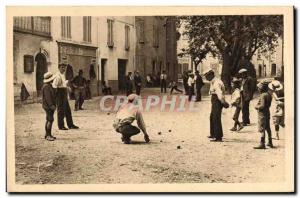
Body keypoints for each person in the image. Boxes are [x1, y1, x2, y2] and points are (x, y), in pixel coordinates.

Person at [52, 62, 79, 130]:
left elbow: (63, 84)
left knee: (68, 110)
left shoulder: (62, 75)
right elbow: (54, 86)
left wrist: (67, 87)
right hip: (59, 93)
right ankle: (61, 126)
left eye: (64, 67)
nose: (63, 69)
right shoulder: (57, 76)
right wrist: (56, 96)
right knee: (60, 110)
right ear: (59, 68)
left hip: (64, 93)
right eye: (62, 67)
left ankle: (70, 125)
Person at [204, 69, 229, 142]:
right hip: (214, 99)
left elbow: (219, 94)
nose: (206, 78)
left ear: (211, 75)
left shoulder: (216, 83)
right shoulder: (213, 81)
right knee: (212, 117)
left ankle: (218, 136)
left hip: (217, 100)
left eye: (207, 76)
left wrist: (223, 102)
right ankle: (213, 133)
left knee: (216, 118)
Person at [254, 81, 273, 149]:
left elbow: (262, 105)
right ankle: (270, 142)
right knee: (268, 127)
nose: (258, 89)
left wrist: (256, 107)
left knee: (262, 128)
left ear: (261, 88)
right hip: (267, 112)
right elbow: (268, 105)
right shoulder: (269, 94)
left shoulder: (263, 95)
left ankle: (262, 143)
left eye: (259, 88)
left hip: (262, 114)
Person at [42, 72, 56, 141]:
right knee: (50, 119)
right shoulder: (46, 87)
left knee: (49, 119)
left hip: (49, 106)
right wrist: (51, 105)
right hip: (48, 106)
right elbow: (48, 98)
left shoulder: (48, 85)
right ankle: (48, 135)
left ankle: (47, 134)